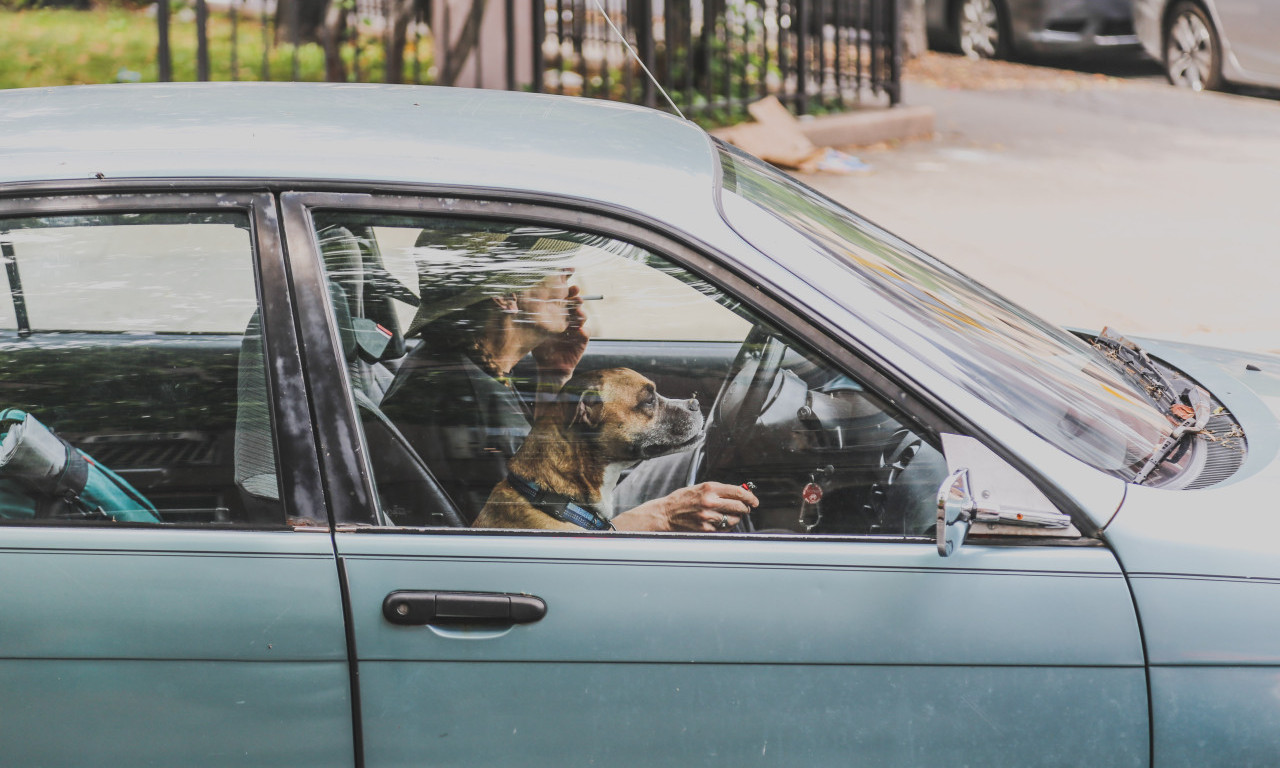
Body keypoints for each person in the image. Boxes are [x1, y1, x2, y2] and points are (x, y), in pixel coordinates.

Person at [379, 224, 758, 532]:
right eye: (555, 266)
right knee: (708, 467)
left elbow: (544, 477)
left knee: (694, 459)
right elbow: (515, 532)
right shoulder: (462, 400)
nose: (568, 275)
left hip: (577, 514)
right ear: (508, 296)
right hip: (569, 545)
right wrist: (658, 517)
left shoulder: (468, 369)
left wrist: (554, 374)